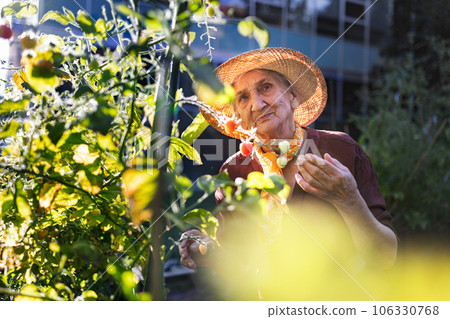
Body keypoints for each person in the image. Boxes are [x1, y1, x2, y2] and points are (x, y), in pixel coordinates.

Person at [178, 48, 397, 298]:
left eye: (266, 87)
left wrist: (349, 199)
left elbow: (385, 256)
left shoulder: (340, 150)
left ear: (293, 96)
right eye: (243, 97)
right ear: (238, 116)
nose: (257, 105)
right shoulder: (234, 170)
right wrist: (206, 250)